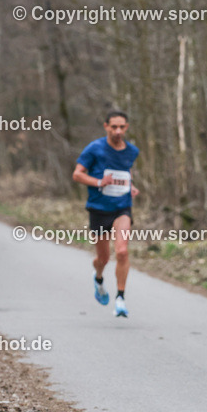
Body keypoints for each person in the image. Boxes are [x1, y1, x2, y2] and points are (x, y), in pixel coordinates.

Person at [71, 111, 140, 318]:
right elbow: (77, 174)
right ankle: (98, 278)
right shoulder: (95, 149)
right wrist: (99, 182)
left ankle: (120, 298)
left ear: (126, 127)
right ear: (106, 127)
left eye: (122, 127)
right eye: (114, 127)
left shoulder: (132, 151)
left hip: (122, 206)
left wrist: (131, 185)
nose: (118, 131)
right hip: (99, 208)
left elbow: (125, 171)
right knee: (103, 258)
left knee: (122, 252)